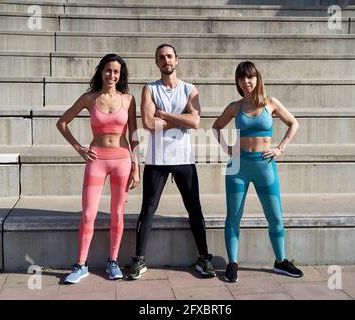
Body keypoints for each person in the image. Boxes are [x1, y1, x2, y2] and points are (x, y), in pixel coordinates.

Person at [126, 44, 216, 280]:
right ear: (157, 63)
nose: (166, 60)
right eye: (161, 57)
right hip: (157, 159)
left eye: (169, 56)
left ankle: (204, 258)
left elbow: (195, 122)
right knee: (148, 209)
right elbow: (147, 123)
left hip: (183, 158)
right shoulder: (149, 89)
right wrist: (182, 119)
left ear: (177, 60)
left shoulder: (189, 89)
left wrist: (164, 115)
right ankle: (139, 260)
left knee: (194, 208)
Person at [212, 61, 303, 283]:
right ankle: (232, 264)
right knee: (233, 217)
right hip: (238, 167)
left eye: (249, 77)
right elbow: (216, 127)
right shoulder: (235, 106)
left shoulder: (270, 103)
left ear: (257, 78)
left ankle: (281, 261)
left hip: (264, 166)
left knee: (275, 217)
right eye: (241, 78)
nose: (246, 82)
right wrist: (227, 148)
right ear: (237, 82)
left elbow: (293, 123)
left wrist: (280, 148)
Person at [56, 53, 140, 284]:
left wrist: (137, 167)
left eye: (116, 71)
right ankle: (81, 264)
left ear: (120, 75)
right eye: (108, 70)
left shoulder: (129, 99)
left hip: (122, 160)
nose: (112, 75)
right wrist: (79, 148)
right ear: (100, 72)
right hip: (97, 160)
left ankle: (112, 261)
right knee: (88, 213)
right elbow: (62, 123)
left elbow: (133, 135)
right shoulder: (89, 98)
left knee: (118, 213)